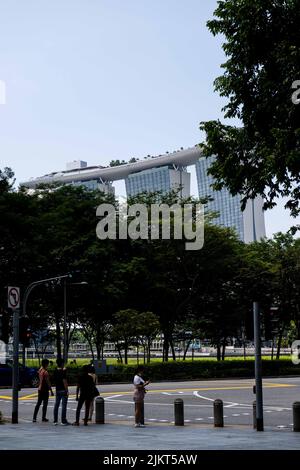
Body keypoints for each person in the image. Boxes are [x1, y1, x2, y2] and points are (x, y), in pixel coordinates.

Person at [33, 358, 54, 423]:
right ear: (46, 364)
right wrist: (51, 391)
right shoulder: (45, 372)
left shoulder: (40, 370)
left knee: (38, 404)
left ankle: (34, 418)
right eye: (47, 364)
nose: (48, 365)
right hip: (44, 390)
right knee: (45, 404)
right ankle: (43, 417)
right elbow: (48, 382)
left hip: (39, 389)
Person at [53, 358, 70, 425]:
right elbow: (64, 381)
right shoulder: (63, 372)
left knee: (56, 405)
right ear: (62, 363)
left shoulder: (55, 371)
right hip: (63, 390)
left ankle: (55, 421)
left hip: (57, 390)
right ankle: (63, 421)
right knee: (64, 406)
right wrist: (67, 390)